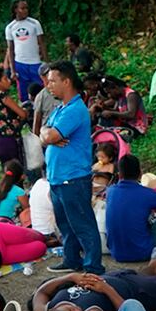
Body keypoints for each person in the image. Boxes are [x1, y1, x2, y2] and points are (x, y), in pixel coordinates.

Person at [40, 62, 100, 275]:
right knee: (65, 224)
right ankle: (71, 259)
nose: (49, 85)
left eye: (53, 81)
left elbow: (50, 136)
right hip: (58, 177)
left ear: (66, 81)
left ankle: (93, 266)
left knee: (82, 223)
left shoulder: (75, 109)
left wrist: (49, 136)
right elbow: (43, 133)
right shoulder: (60, 109)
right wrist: (48, 135)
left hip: (73, 177)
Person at [4, 0, 45, 97]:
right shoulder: (10, 27)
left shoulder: (34, 23)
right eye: (22, 8)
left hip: (35, 62)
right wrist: (13, 70)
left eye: (27, 8)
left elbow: (42, 43)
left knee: (40, 90)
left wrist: (46, 62)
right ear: (16, 10)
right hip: (20, 64)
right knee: (23, 92)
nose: (26, 10)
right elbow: (11, 49)